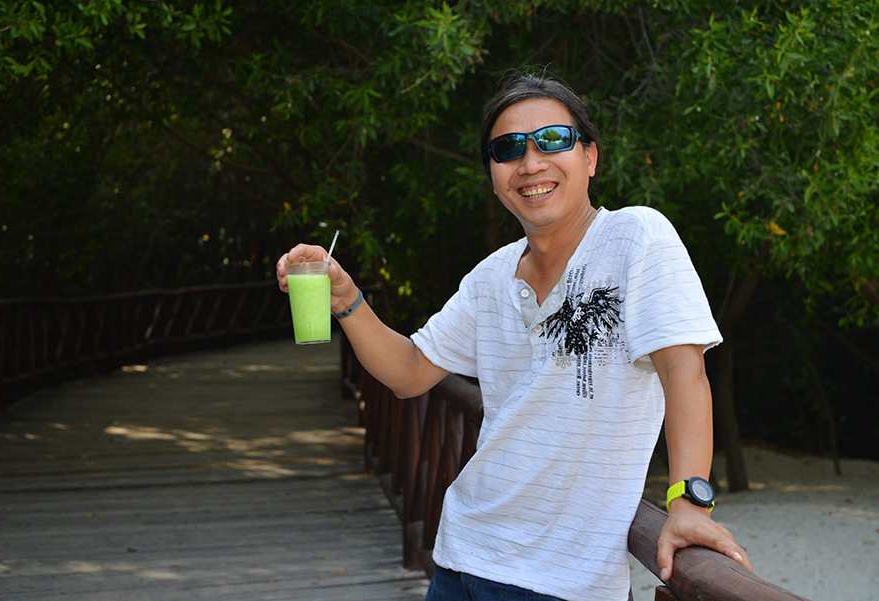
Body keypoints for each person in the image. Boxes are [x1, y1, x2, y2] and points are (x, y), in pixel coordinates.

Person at [277, 69, 752, 601]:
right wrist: (346, 301)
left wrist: (689, 503)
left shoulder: (636, 238)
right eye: (508, 149)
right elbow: (410, 372)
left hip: (564, 580)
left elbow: (683, 371)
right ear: (494, 174)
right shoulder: (489, 278)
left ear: (590, 157)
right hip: (461, 555)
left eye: (553, 139)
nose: (531, 162)